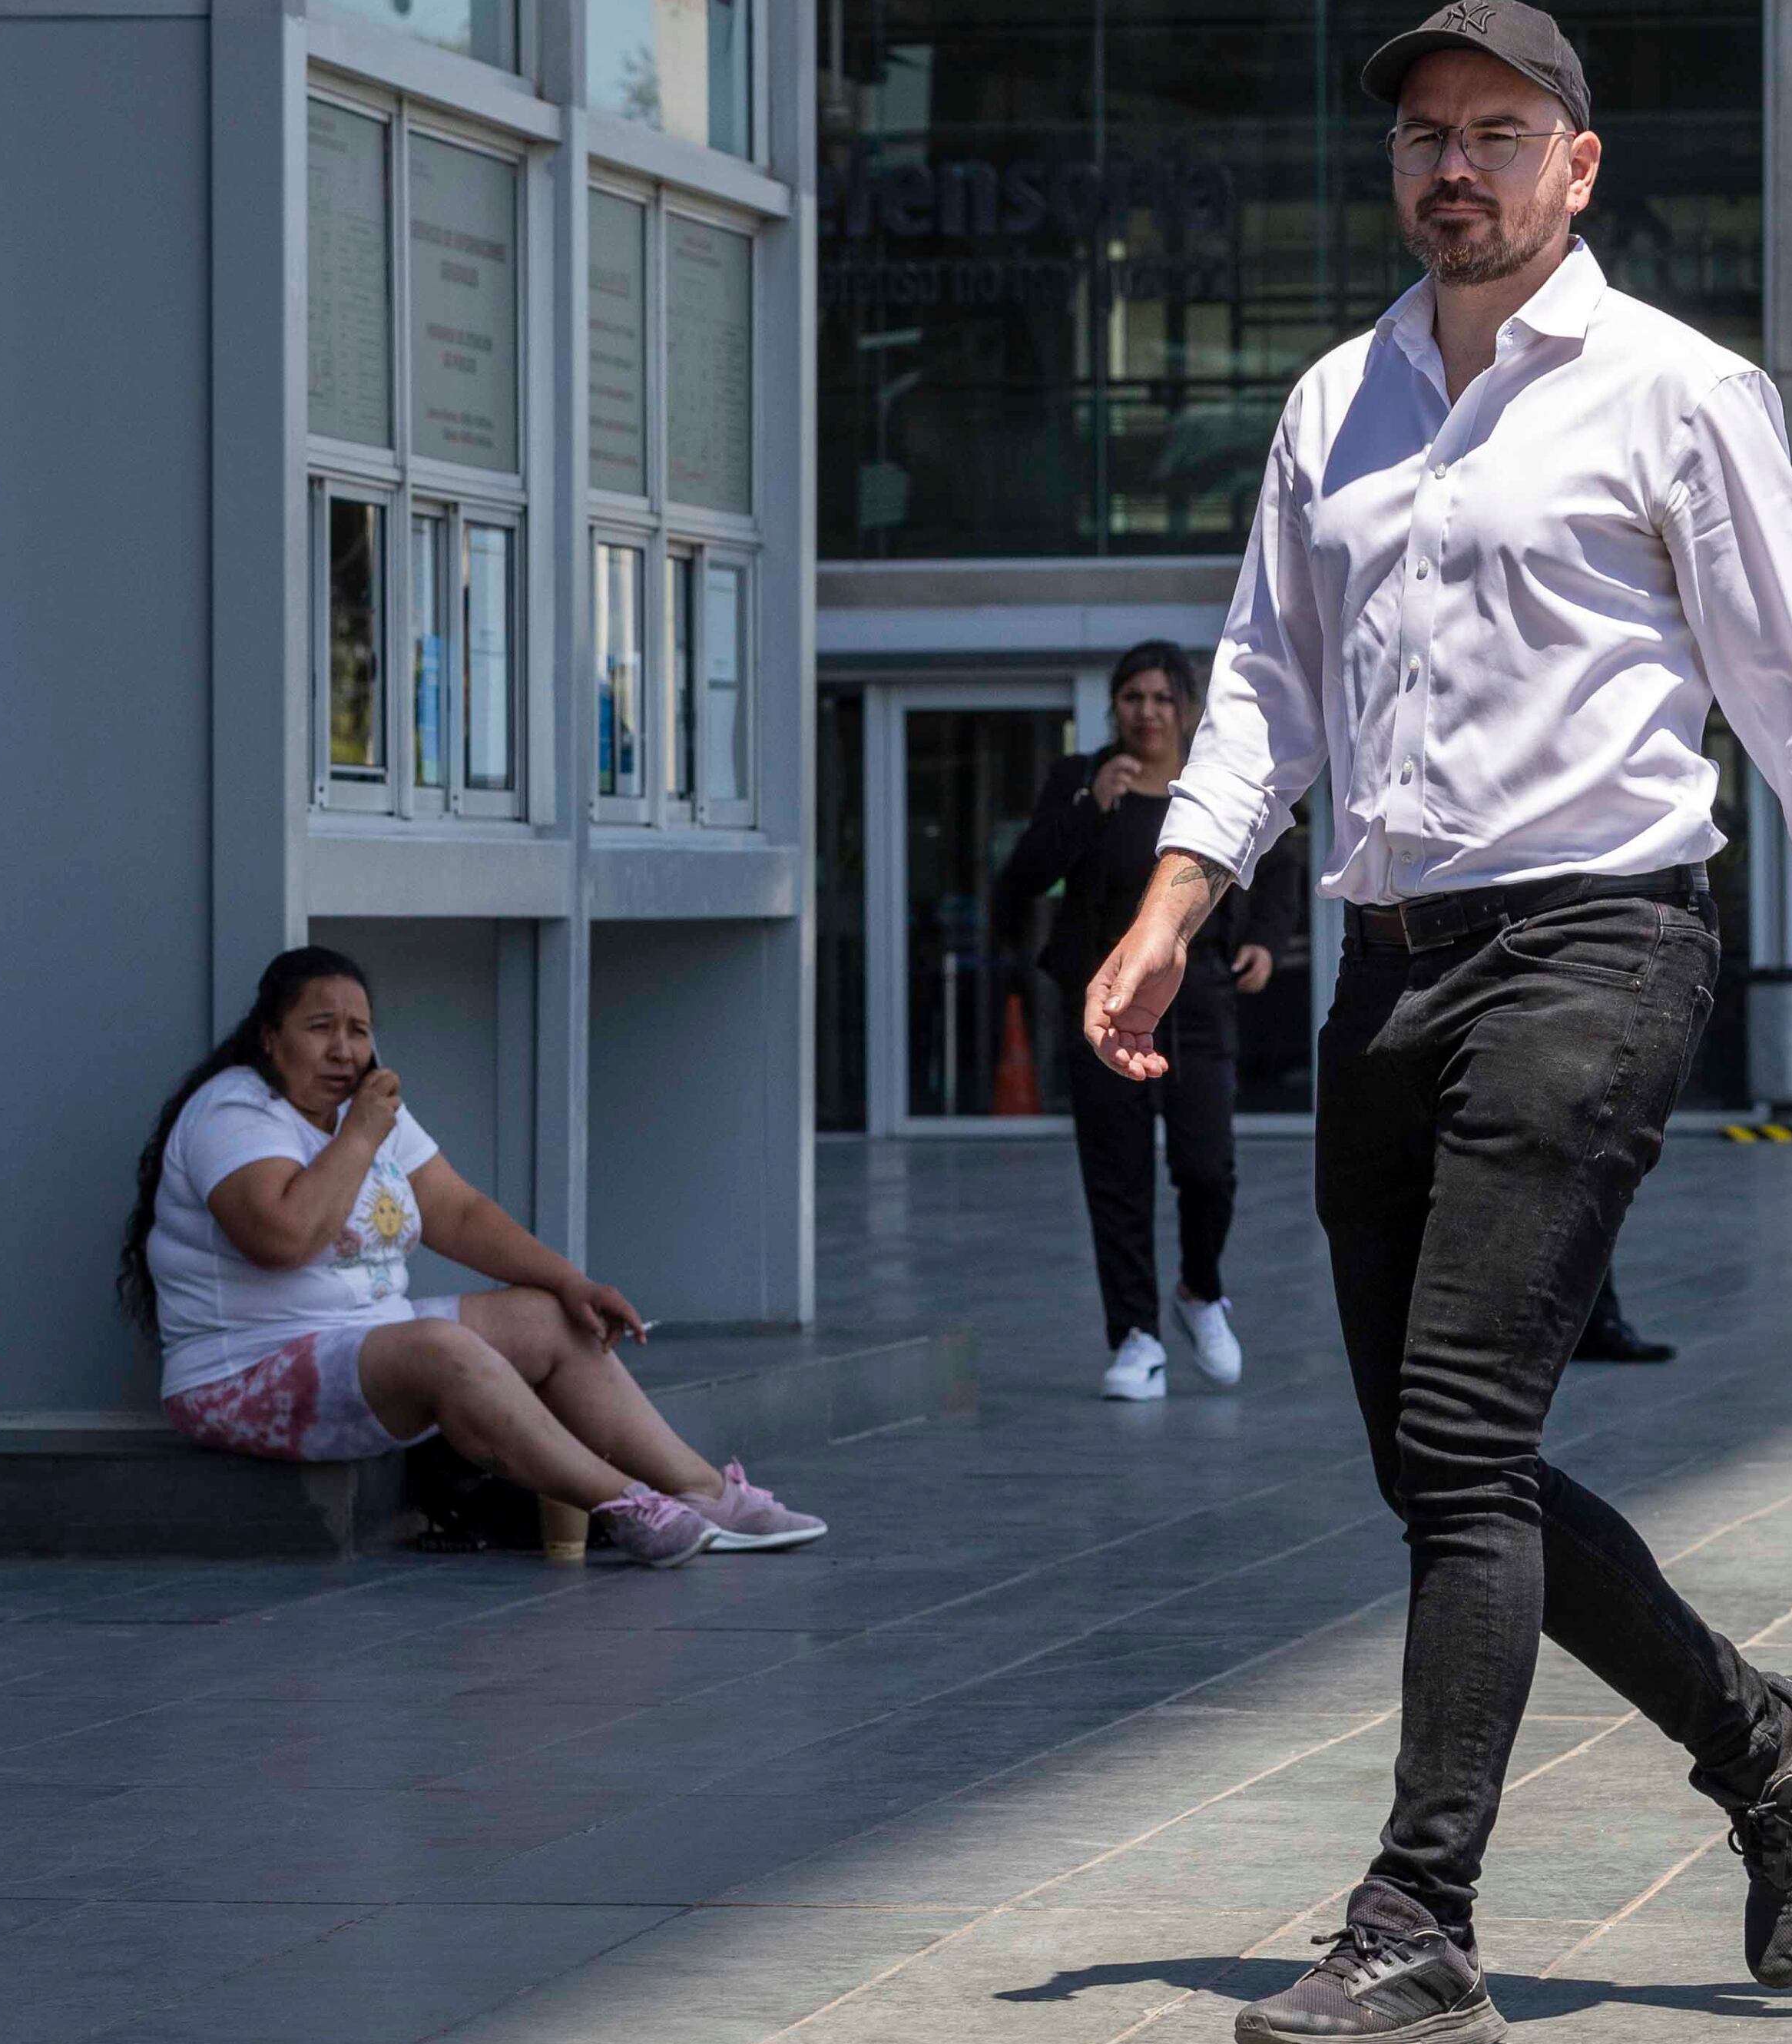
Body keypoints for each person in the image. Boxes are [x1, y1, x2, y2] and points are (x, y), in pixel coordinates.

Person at [1083, 0, 1792, 2044]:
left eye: (1498, 129)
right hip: (1389, 957)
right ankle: (1767, 1737)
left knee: (1462, 1440)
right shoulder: (1334, 404)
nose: (1453, 163)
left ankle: (1419, 1918)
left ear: (1579, 163)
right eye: (1425, 135)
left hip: (1599, 939)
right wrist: (1172, 906)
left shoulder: (1676, 390)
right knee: (1437, 1459)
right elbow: (1267, 685)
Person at [120, 946, 827, 1569]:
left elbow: (456, 1212)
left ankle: (707, 1492)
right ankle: (629, 1507)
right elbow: (281, 1238)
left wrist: (572, 1281)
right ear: (269, 1039)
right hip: (243, 1377)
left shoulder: (362, 1110)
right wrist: (363, 1133)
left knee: (549, 1318)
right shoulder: (233, 1113)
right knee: (438, 1348)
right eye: (319, 1027)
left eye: (359, 1030)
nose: (343, 1049)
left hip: (358, 1346)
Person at [995, 643, 1290, 1400]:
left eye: (1162, 698)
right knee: (1117, 1178)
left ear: (1186, 709)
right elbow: (1023, 878)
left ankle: (1199, 1290)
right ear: (1115, 707)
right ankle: (1135, 1336)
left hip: (1198, 1007)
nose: (1148, 712)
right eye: (1133, 697)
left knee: (1206, 1168)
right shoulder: (1082, 781)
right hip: (1104, 1010)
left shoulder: (1209, 784)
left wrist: (1263, 938)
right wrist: (1089, 807)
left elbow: (1276, 855)